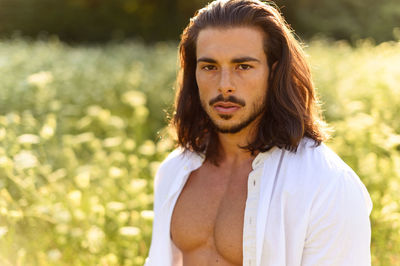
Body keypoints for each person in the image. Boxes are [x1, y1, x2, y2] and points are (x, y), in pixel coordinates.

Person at [144, 0, 373, 265]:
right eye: (209, 67)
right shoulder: (175, 171)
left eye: (243, 66)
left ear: (273, 72)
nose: (225, 85)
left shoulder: (328, 185)